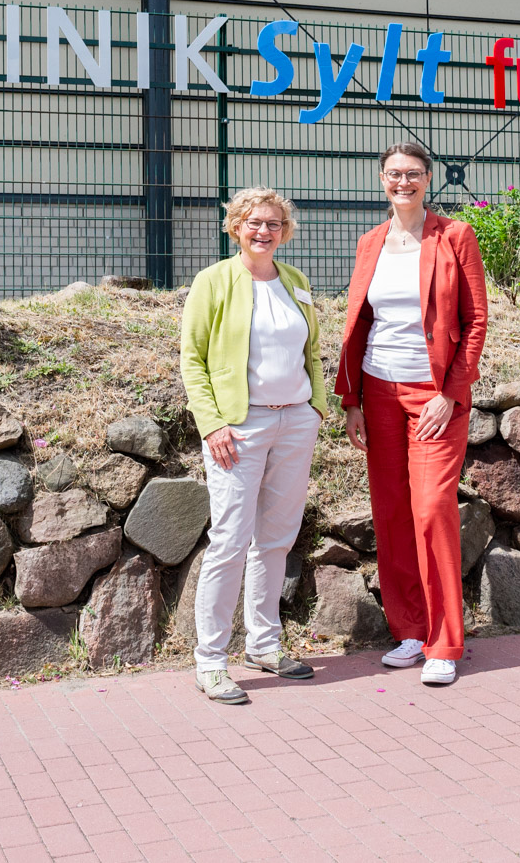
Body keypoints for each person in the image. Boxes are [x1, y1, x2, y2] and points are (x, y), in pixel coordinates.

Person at [335, 142, 489, 687]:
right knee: (392, 512)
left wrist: (450, 392)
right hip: (377, 391)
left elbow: (475, 323)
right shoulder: (370, 242)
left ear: (428, 178)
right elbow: (360, 322)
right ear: (381, 180)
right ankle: (409, 631)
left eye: (414, 173)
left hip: (434, 394)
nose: (403, 181)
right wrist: (351, 399)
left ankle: (445, 643)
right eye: (394, 173)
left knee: (431, 509)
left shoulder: (454, 236)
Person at [179, 187, 328, 705]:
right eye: (253, 222)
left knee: (276, 539)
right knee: (230, 541)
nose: (263, 231)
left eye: (273, 223)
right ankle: (211, 662)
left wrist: (316, 407)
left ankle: (264, 645)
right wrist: (212, 424)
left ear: (284, 231)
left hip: (295, 422)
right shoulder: (214, 281)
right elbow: (192, 359)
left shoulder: (295, 281)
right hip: (239, 428)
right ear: (235, 227)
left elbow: (310, 349)